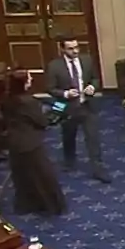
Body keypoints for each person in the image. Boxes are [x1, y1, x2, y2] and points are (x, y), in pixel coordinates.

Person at [46, 38, 110, 183]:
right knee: (69, 136)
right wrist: (65, 94)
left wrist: (93, 87)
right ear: (62, 49)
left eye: (76, 47)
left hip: (87, 105)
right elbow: (50, 89)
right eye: (70, 48)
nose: (75, 51)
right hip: (68, 108)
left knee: (93, 138)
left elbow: (95, 79)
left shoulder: (86, 60)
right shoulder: (54, 66)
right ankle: (69, 161)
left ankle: (98, 168)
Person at [2, 70, 66, 216]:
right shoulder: (29, 102)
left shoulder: (7, 98)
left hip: (14, 143)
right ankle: (52, 207)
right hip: (30, 144)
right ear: (24, 83)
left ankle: (27, 205)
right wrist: (54, 113)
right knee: (43, 176)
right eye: (29, 78)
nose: (31, 79)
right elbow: (42, 122)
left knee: (23, 177)